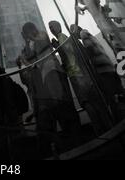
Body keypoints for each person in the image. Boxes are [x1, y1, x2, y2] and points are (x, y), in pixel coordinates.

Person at [20, 22, 81, 154]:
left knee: (63, 103)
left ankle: (75, 137)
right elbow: (33, 61)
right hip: (46, 74)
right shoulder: (32, 41)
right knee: (60, 104)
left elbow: (39, 48)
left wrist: (29, 40)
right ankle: (71, 138)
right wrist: (26, 47)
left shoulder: (41, 35)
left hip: (52, 70)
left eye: (27, 32)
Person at [49, 21, 112, 135]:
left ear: (58, 27)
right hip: (82, 73)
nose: (51, 29)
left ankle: (101, 131)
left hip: (77, 75)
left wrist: (57, 46)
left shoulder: (61, 37)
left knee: (88, 103)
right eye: (50, 28)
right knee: (95, 104)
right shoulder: (69, 39)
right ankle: (107, 127)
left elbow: (68, 52)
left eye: (52, 26)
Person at [72, 25, 125, 122]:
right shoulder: (91, 35)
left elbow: (89, 49)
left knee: (112, 98)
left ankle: (120, 121)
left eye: (73, 32)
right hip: (109, 68)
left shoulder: (83, 33)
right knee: (120, 94)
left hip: (103, 71)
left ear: (76, 30)